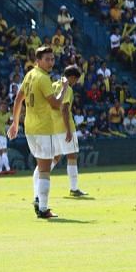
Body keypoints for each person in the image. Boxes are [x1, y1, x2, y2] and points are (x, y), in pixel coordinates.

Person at [7, 46, 69, 219]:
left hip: (30, 128)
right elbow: (56, 104)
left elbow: (19, 99)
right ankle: (42, 208)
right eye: (47, 59)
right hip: (42, 128)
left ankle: (37, 197)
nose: (51, 62)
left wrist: (15, 123)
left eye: (52, 59)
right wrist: (64, 88)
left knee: (55, 156)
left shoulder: (29, 75)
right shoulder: (42, 78)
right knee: (44, 169)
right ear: (38, 60)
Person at [51, 65, 88, 197]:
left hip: (53, 126)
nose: (76, 82)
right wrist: (68, 130)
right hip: (64, 126)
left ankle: (40, 177)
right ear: (72, 77)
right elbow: (65, 109)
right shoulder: (67, 88)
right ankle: (74, 188)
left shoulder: (54, 84)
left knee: (56, 156)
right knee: (72, 156)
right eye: (76, 79)